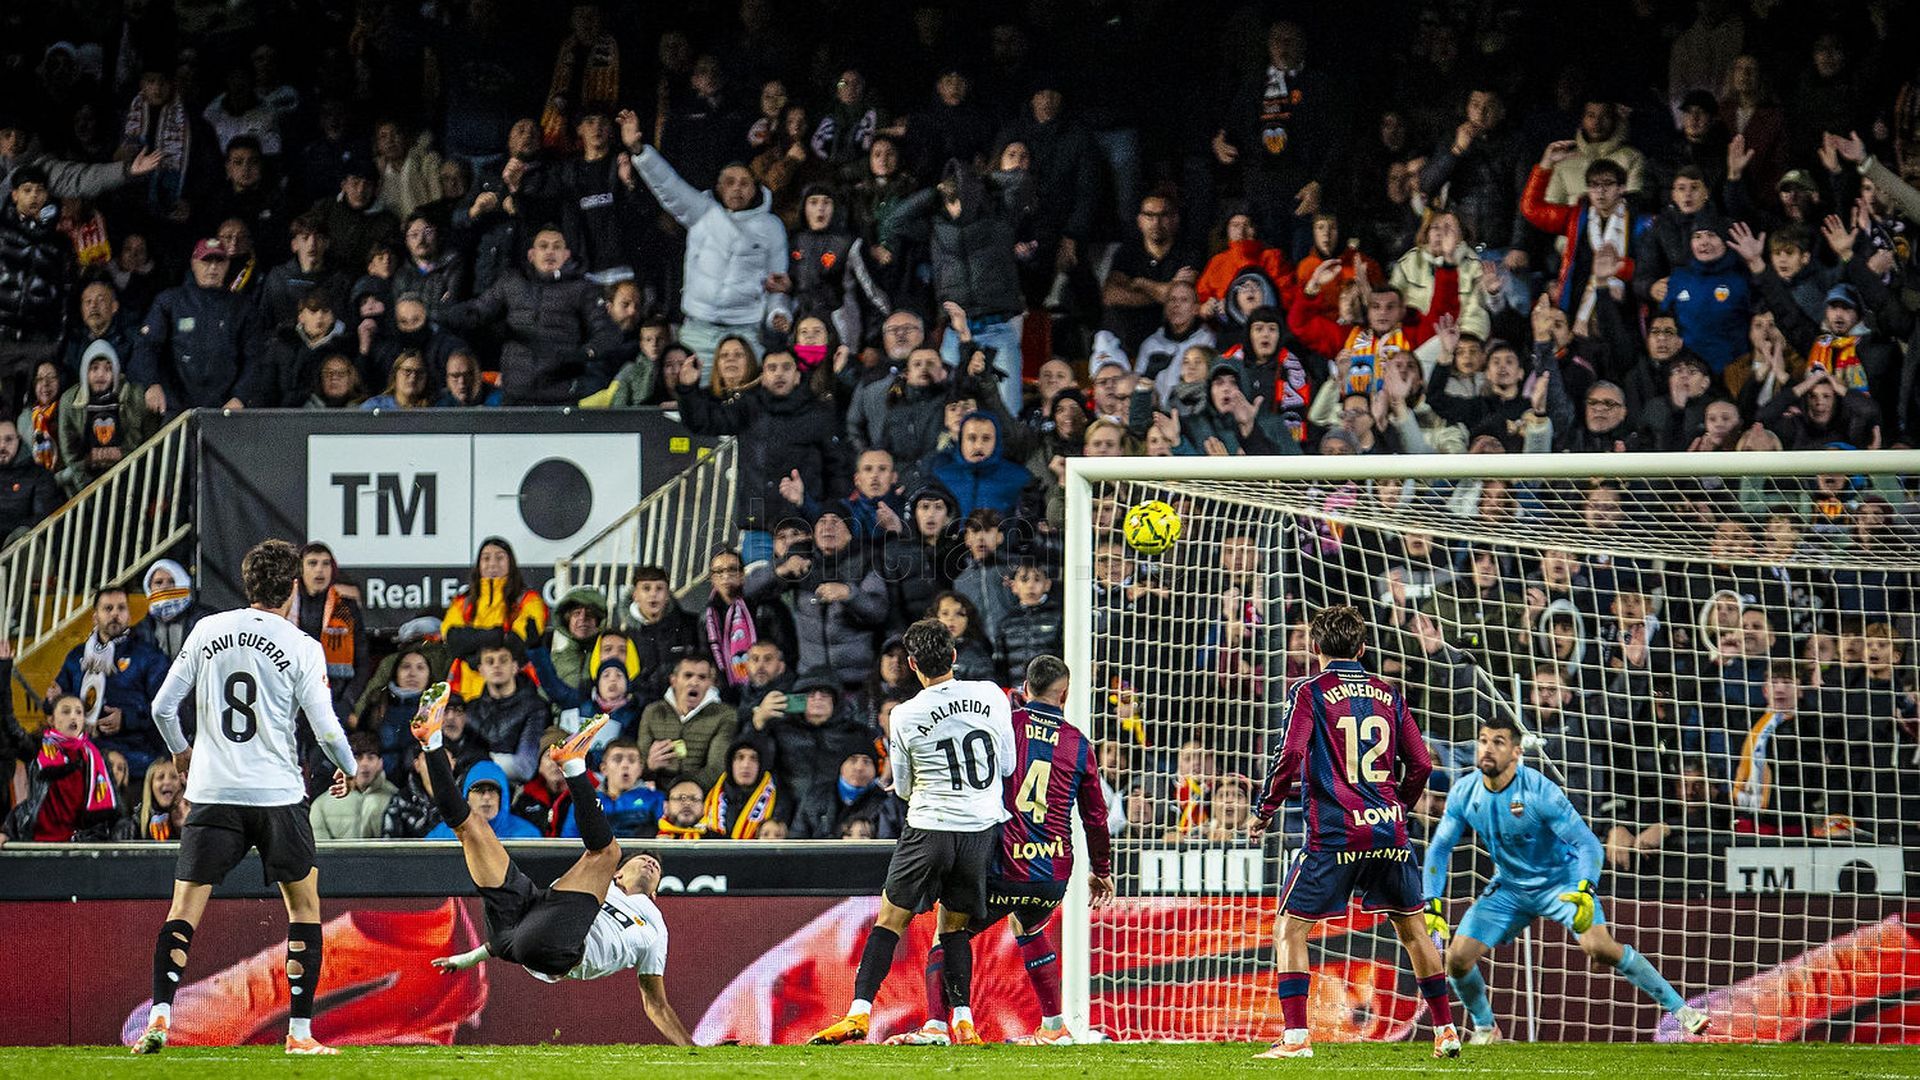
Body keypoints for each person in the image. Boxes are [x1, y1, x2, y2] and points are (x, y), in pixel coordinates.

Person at [132, 540, 359, 1056]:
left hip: (213, 793)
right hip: (277, 794)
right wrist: (349, 769)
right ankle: (300, 1034)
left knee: (184, 909)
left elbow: (163, 707)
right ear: (293, 588)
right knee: (304, 908)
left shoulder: (208, 630)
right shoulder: (302, 645)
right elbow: (325, 729)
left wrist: (183, 753)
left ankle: (160, 1016)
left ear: (246, 584)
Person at [413, 698, 694, 1045]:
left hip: (553, 950)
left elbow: (655, 1003)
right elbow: (511, 938)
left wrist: (692, 1049)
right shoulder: (601, 883)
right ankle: (431, 743)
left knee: (607, 850)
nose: (651, 862)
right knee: (474, 829)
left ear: (655, 893)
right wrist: (468, 959)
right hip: (519, 926)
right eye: (644, 860)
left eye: (656, 869)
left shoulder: (654, 925)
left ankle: (574, 766)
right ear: (618, 876)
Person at [1247, 604, 1459, 1060]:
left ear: (1314, 647)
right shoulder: (1388, 691)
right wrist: (1398, 806)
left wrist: (1265, 808)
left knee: (1289, 930)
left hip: (1336, 834)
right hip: (1389, 832)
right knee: (1414, 931)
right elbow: (1422, 762)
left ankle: (1296, 1038)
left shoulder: (1309, 691)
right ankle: (1446, 1031)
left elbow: (1290, 755)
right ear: (1362, 648)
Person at [1423, 716, 1712, 1042]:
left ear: (1516, 752)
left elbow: (1587, 843)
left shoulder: (1539, 791)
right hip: (1511, 886)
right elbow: (1439, 849)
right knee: (1457, 959)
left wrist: (1585, 889)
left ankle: (1681, 1011)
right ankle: (1486, 1028)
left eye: (1498, 742)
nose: (1487, 749)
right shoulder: (1464, 792)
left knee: (1600, 948)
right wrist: (1431, 903)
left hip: (1562, 882)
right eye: (1483, 740)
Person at [888, 655, 1114, 1046]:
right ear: (1066, 694)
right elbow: (1096, 817)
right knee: (1028, 924)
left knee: (948, 930)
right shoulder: (1079, 743)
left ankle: (937, 1026)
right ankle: (1054, 1025)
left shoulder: (1005, 724)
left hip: (1000, 865)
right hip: (1052, 874)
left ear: (1026, 688)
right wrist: (1103, 870)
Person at [810, 619, 1015, 1047]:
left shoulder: (905, 714)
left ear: (912, 665)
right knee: (955, 927)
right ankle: (962, 1019)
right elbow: (1009, 765)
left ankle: (859, 1014)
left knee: (890, 920)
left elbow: (902, 786)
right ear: (954, 656)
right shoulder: (992, 695)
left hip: (930, 828)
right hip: (979, 829)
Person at [52, 586, 170, 776]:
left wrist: (126, 719)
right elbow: (57, 702)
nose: (115, 614)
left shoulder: (149, 656)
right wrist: (52, 701)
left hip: (136, 762)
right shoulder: (76, 657)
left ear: (129, 615)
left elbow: (166, 707)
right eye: (108, 609)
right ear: (95, 617)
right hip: (84, 761)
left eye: (121, 608)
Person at [308, 732, 396, 840]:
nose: (364, 763)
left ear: (380, 763)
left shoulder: (394, 798)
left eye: (371, 757)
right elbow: (321, 850)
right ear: (345, 761)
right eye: (357, 757)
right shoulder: (321, 805)